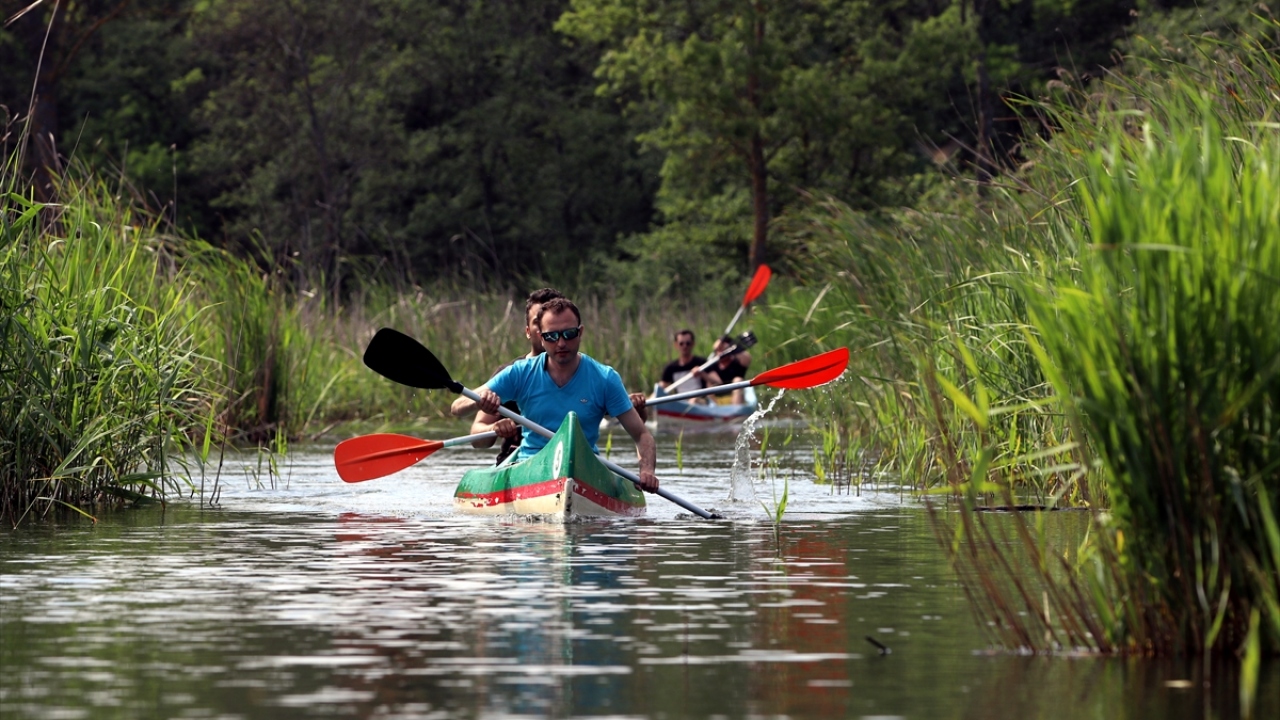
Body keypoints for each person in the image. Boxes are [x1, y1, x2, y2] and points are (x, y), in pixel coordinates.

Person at [450, 297, 659, 491]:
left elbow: (642, 434)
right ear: (541, 338)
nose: (561, 343)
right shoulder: (520, 372)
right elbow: (457, 408)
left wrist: (647, 471)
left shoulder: (605, 378)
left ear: (580, 332)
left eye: (568, 334)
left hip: (585, 468)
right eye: (552, 336)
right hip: (530, 466)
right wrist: (480, 402)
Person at [659, 329, 712, 396]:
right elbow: (661, 387)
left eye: (688, 343)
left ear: (693, 344)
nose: (685, 346)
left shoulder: (701, 362)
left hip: (700, 400)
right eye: (681, 344)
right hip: (681, 402)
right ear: (676, 345)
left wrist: (702, 374)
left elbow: (717, 382)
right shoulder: (671, 368)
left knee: (695, 400)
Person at [706, 334, 751, 404]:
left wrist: (730, 348)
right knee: (709, 383)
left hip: (735, 397)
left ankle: (736, 410)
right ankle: (715, 411)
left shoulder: (736, 362)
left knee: (738, 380)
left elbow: (747, 358)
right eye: (718, 349)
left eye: (722, 349)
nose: (720, 352)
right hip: (718, 400)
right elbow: (717, 380)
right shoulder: (712, 365)